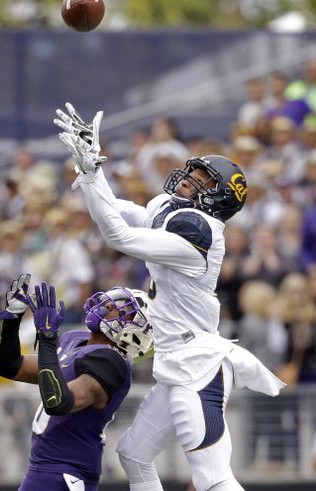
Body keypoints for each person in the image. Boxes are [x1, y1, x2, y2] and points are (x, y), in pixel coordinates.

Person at [54, 103, 285, 491]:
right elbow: (114, 212)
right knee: (133, 454)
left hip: (198, 363)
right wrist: (89, 166)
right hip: (175, 360)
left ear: (220, 199)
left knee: (213, 478)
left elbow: (119, 237)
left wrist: (94, 175)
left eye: (202, 180)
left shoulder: (201, 230)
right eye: (193, 172)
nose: (189, 179)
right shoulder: (170, 208)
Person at [0, 273, 153, 491]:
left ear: (133, 332)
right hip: (43, 469)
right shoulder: (74, 340)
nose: (107, 305)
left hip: (65, 473)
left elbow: (58, 403)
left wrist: (47, 341)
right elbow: (10, 366)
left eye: (121, 309)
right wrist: (12, 319)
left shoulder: (111, 361)